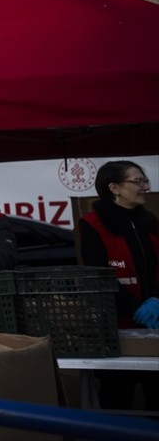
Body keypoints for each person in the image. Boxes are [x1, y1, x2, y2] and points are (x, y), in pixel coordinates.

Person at [78, 160, 158, 411]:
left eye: (145, 181)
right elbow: (100, 277)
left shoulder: (150, 221)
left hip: (155, 327)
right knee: (117, 399)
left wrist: (156, 300)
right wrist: (136, 308)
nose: (144, 187)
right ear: (114, 188)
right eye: (138, 181)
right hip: (117, 331)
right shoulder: (92, 224)